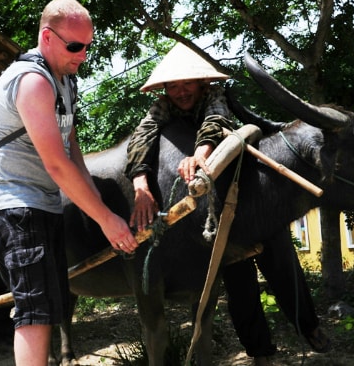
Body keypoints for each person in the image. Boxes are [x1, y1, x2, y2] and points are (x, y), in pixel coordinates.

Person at [125, 42, 329, 365]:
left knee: (280, 256)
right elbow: (141, 137)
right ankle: (260, 353)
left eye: (187, 84)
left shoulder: (216, 96)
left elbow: (215, 123)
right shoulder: (163, 108)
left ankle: (309, 325)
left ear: (202, 82)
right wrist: (139, 182)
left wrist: (201, 153)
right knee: (239, 281)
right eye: (173, 86)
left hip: (246, 191)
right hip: (216, 208)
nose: (180, 92)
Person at [0, 0, 138, 366]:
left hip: (44, 205)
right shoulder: (32, 81)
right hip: (13, 206)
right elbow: (56, 165)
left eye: (88, 47)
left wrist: (95, 195)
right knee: (34, 311)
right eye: (75, 46)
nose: (83, 55)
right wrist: (106, 218)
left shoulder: (65, 82)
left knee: (51, 305)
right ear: (47, 37)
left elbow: (72, 150)